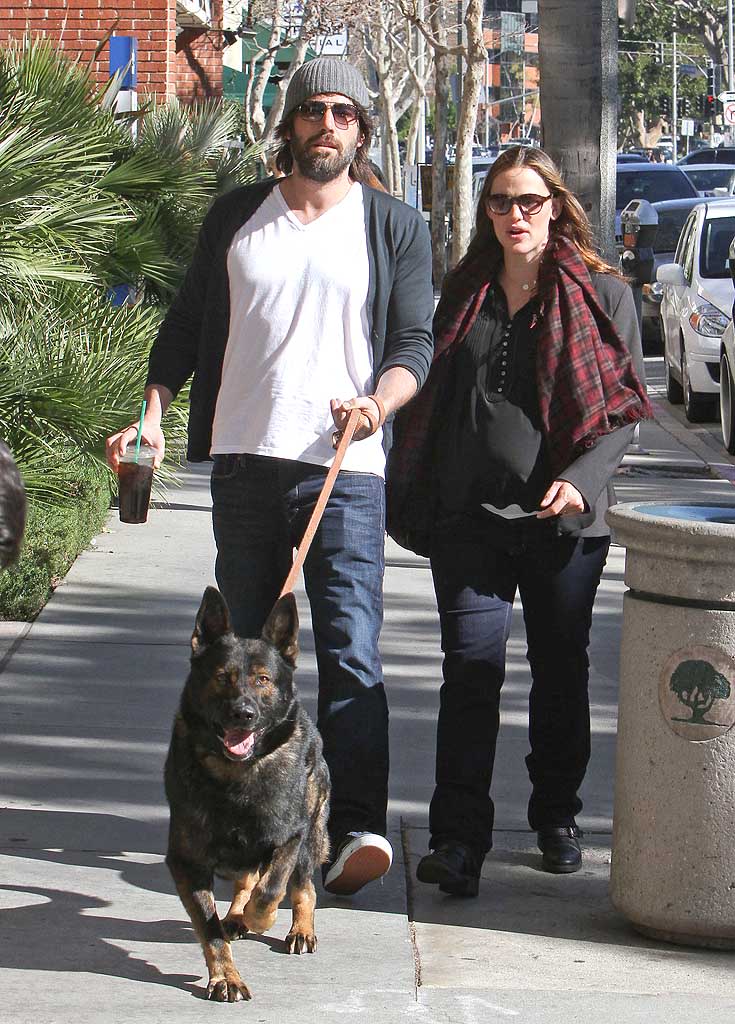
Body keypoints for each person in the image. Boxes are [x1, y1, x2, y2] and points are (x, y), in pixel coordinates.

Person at [106, 57, 434, 896]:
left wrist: (378, 405)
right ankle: (235, 831)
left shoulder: (393, 225)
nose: (329, 125)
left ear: (362, 130)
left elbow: (412, 345)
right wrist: (150, 415)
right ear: (289, 124)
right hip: (246, 465)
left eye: (344, 114)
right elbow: (183, 329)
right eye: (313, 110)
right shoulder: (235, 219)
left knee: (353, 652)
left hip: (344, 471)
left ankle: (354, 826)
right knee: (235, 662)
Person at [387, 145, 651, 897]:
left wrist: (577, 483)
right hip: (468, 521)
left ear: (556, 207)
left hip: (563, 524)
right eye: (500, 201)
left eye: (528, 201)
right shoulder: (464, 291)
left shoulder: (604, 296)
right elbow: (435, 398)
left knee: (559, 674)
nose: (514, 215)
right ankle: (456, 839)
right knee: (469, 673)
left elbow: (623, 415)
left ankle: (555, 816)